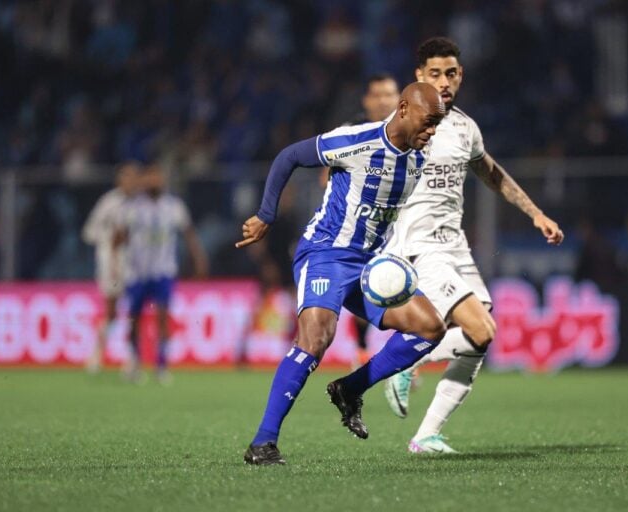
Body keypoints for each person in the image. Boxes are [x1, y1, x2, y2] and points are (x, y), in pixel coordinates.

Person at [238, 82, 448, 465]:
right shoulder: (355, 141)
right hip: (327, 254)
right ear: (404, 109)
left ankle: (350, 389)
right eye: (428, 121)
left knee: (431, 328)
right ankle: (263, 443)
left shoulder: (419, 159)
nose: (432, 131)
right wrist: (266, 215)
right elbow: (288, 156)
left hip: (371, 267)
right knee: (316, 339)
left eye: (438, 124)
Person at [383, 37, 564, 454]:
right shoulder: (403, 123)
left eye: (450, 74)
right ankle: (407, 359)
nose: (443, 82)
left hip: (454, 245)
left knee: (480, 340)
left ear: (460, 76)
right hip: (420, 246)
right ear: (418, 77)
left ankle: (425, 435)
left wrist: (535, 213)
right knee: (481, 330)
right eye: (434, 74)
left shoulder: (465, 127)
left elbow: (492, 173)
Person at [331, 73, 401, 368]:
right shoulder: (352, 132)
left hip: (400, 224)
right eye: (378, 95)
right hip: (362, 226)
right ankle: (362, 350)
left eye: (390, 94)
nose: (385, 100)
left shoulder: (410, 131)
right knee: (366, 291)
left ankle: (402, 360)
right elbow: (326, 175)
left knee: (405, 292)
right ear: (367, 100)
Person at [116, 164, 208, 384]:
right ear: (144, 180)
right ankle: (135, 363)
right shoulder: (132, 208)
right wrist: (116, 263)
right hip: (137, 272)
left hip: (163, 271)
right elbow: (118, 237)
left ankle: (162, 365)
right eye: (151, 177)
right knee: (134, 318)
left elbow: (189, 234)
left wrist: (199, 259)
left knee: (163, 316)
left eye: (158, 177)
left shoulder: (174, 206)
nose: (155, 181)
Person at [81, 162, 140, 372]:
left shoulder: (140, 205)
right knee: (112, 311)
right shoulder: (109, 203)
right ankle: (97, 354)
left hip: (135, 265)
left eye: (134, 177)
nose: (131, 182)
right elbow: (89, 232)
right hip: (111, 264)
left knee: (134, 311)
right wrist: (108, 240)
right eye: (127, 177)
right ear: (119, 180)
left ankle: (132, 359)